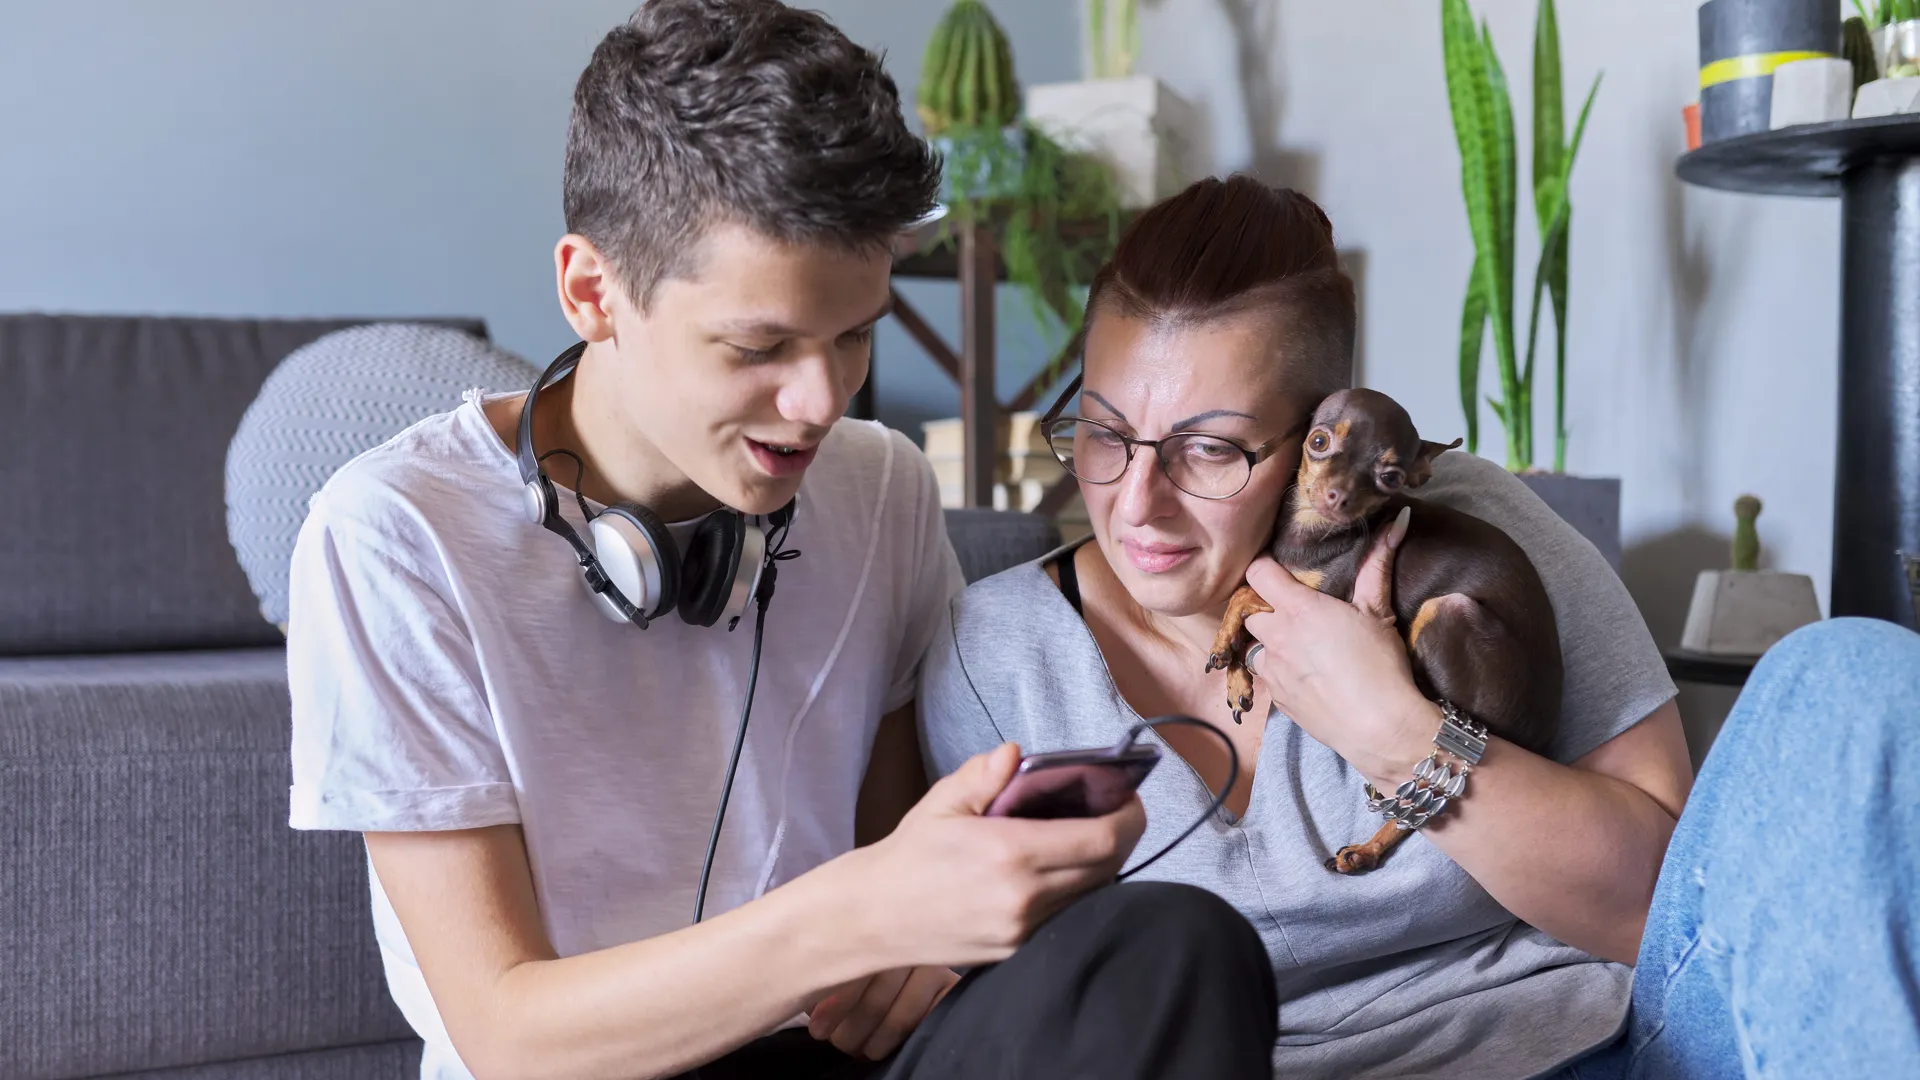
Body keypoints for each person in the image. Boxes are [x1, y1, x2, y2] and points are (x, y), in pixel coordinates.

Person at [284, 4, 1277, 1079]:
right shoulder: (395, 535)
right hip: (585, 1066)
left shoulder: (878, 486)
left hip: (827, 1050)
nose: (819, 400)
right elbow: (506, 1031)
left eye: (854, 334)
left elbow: (891, 854)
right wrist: (853, 914)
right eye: (758, 346)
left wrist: (942, 915)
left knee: (1173, 947)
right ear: (591, 292)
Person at [923, 174, 1920, 1078]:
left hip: (1591, 1049)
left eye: (1211, 451)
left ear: (1330, 435)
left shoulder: (1468, 533)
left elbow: (1660, 907)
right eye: (1103, 433)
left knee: (1849, 675)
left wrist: (1398, 737)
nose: (1137, 503)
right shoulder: (999, 654)